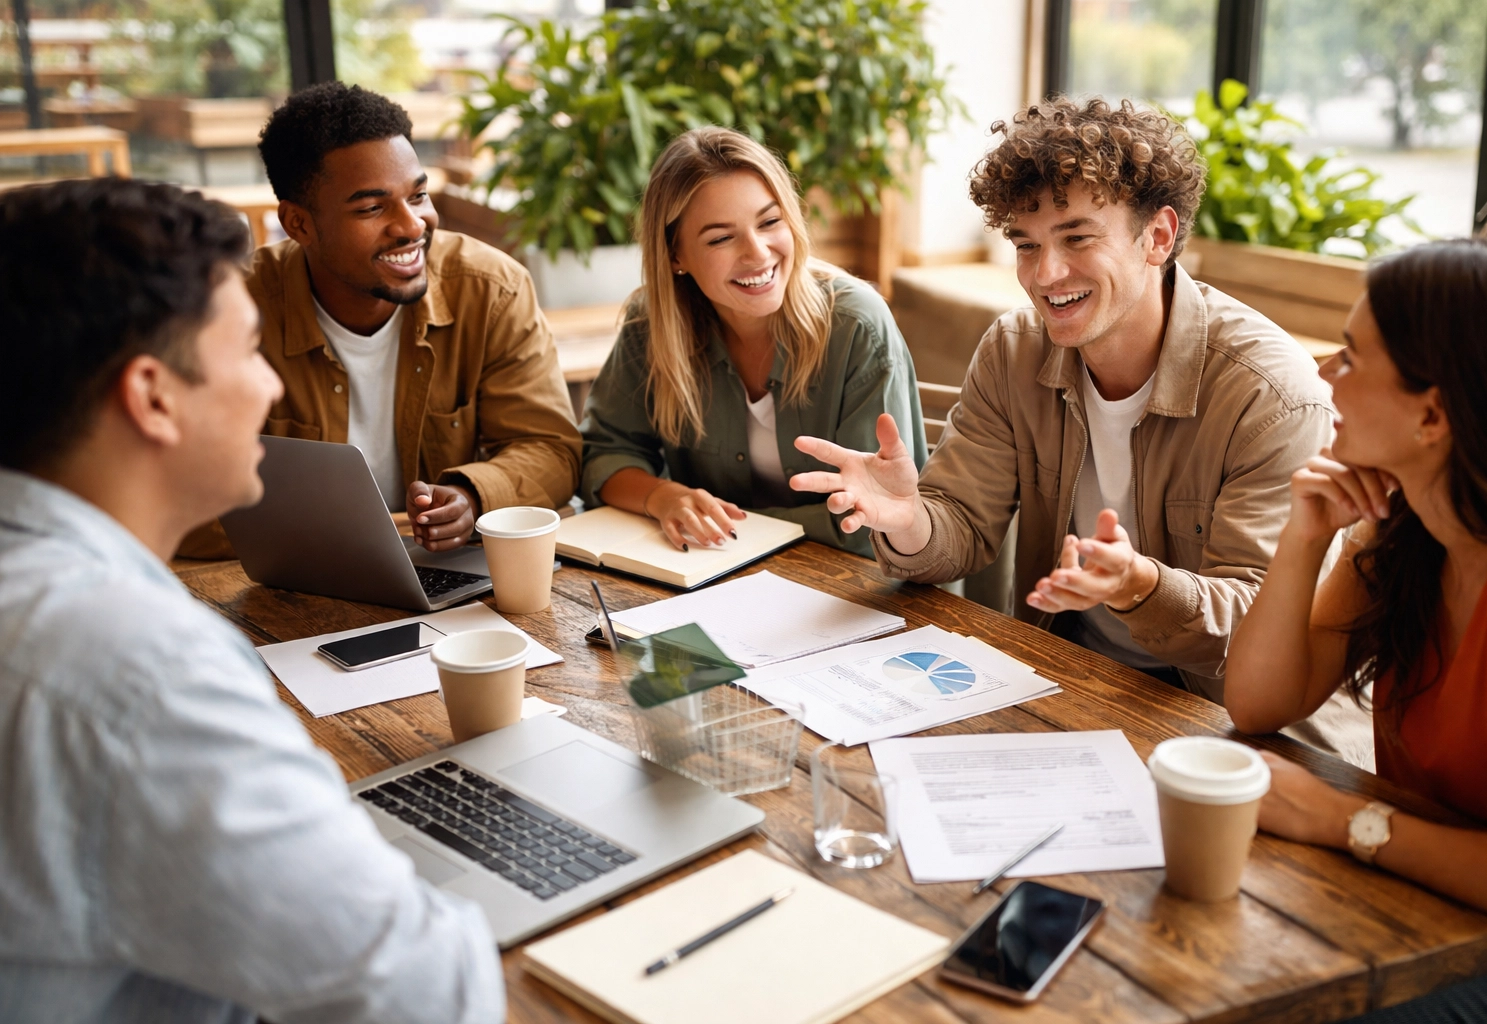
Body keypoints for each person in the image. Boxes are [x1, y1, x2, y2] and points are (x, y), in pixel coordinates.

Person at [0, 180, 504, 1022]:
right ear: (154, 396)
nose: (272, 388)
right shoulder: (136, 668)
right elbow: (427, 997)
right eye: (245, 352)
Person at [790, 98, 1334, 703]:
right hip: (1068, 673)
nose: (1046, 274)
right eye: (1026, 245)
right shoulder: (1014, 350)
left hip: (1225, 716)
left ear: (1157, 236)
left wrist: (1139, 587)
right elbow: (961, 528)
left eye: (1077, 238)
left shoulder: (1272, 396)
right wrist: (909, 519)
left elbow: (1259, 625)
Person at [1225, 237, 1487, 1019]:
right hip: (1424, 910)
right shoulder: (1400, 533)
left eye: (1353, 358)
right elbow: (1259, 706)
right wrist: (1305, 536)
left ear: (1433, 413)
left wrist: (1339, 820)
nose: (1325, 370)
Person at [181, 82, 581, 557]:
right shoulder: (229, 312)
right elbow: (181, 496)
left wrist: (475, 497)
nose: (412, 226)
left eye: (418, 196)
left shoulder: (491, 289)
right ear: (299, 225)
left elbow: (551, 449)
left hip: (446, 572)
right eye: (372, 208)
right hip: (290, 582)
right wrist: (333, 526)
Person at [578, 126, 925, 557]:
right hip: (711, 577)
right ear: (675, 256)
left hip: (850, 589)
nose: (758, 253)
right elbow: (604, 455)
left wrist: (734, 528)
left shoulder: (856, 326)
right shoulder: (651, 324)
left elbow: (871, 520)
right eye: (721, 238)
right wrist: (663, 497)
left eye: (770, 221)